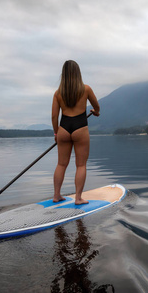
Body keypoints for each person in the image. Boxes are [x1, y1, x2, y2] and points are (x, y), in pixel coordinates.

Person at [51, 60, 100, 205]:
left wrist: (56, 133)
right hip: (80, 127)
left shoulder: (58, 93)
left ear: (63, 74)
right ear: (78, 73)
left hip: (64, 128)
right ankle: (78, 198)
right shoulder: (86, 89)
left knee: (61, 164)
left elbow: (54, 116)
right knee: (81, 165)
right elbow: (97, 107)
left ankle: (56, 195)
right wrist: (95, 112)